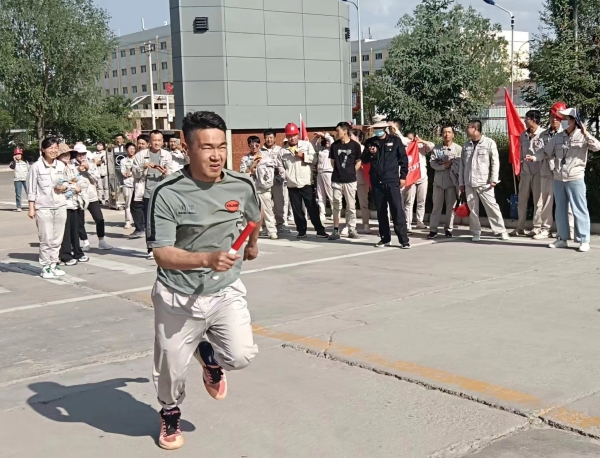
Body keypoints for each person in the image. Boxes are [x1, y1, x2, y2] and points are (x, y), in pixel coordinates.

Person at [148, 111, 261, 450]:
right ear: (187, 148)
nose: (216, 155)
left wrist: (252, 245)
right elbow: (162, 253)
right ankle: (170, 412)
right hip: (177, 295)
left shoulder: (241, 185)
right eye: (207, 147)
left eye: (221, 147)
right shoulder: (167, 192)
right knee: (170, 369)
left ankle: (209, 357)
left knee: (241, 356)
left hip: (224, 289)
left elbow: (255, 216)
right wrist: (206, 259)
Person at [526, 107, 600, 252]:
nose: (563, 121)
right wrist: (534, 157)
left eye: (566, 119)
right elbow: (545, 152)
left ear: (574, 121)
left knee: (579, 209)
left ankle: (584, 240)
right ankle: (562, 238)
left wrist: (586, 133)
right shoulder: (558, 137)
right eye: (563, 118)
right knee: (560, 210)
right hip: (559, 178)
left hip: (575, 177)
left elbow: (597, 147)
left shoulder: (582, 135)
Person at [361, 123, 410, 249]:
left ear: (384, 128)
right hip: (376, 181)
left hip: (391, 181)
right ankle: (385, 238)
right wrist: (371, 153)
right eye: (375, 129)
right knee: (381, 211)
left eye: (379, 128)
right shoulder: (370, 142)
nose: (377, 131)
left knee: (397, 210)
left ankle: (404, 240)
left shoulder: (395, 140)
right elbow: (364, 159)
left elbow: (403, 159)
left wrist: (403, 176)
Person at [459, 120, 509, 242]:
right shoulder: (466, 145)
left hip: (485, 182)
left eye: (468, 128)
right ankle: (475, 232)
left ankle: (501, 230)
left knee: (492, 207)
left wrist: (494, 179)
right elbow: (462, 165)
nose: (466, 130)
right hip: (469, 182)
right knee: (473, 209)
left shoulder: (489, 143)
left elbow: (495, 162)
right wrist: (461, 183)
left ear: (475, 129)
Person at [26, 137, 68, 279]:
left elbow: (66, 181)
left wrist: (64, 187)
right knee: (46, 238)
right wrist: (31, 208)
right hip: (43, 207)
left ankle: (54, 264)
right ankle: (45, 267)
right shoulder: (36, 167)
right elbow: (31, 189)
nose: (53, 150)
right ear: (43, 150)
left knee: (57, 238)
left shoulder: (61, 165)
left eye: (55, 148)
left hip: (60, 205)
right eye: (50, 148)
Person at [280, 123, 328, 239]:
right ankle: (301, 231)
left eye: (294, 135)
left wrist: (302, 156)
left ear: (297, 135)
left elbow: (314, 159)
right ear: (287, 136)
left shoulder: (306, 145)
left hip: (306, 182)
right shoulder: (283, 151)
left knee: (312, 208)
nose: (292, 138)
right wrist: (285, 175)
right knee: (297, 210)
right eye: (289, 136)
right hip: (292, 184)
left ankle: (320, 230)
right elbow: (280, 166)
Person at [132, 130, 174, 259]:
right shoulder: (140, 155)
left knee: (163, 221)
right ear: (149, 142)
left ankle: (164, 247)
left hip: (162, 193)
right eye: (154, 140)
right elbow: (135, 174)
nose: (157, 143)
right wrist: (144, 167)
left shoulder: (166, 155)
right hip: (147, 193)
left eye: (159, 140)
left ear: (162, 141)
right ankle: (150, 249)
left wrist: (165, 172)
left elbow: (171, 174)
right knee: (149, 223)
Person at [534, 102, 571, 241]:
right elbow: (540, 151)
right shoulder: (542, 134)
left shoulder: (566, 133)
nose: (554, 120)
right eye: (552, 117)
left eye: (557, 117)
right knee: (546, 202)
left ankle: (568, 230)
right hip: (546, 171)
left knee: (566, 202)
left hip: (562, 171)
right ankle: (545, 229)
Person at [240, 136, 281, 240]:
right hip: (251, 188)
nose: (254, 147)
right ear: (248, 145)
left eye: (257, 145)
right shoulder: (245, 159)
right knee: (248, 212)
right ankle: (246, 232)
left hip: (264, 188)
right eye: (251, 145)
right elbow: (243, 173)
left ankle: (272, 231)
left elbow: (274, 168)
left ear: (259, 145)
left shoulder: (266, 157)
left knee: (268, 211)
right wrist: (252, 166)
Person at [511, 110, 544, 237]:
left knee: (538, 201)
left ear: (534, 119)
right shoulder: (523, 135)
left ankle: (537, 227)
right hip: (525, 172)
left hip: (539, 172)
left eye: (527, 119)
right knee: (522, 201)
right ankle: (520, 227)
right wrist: (519, 169)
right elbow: (520, 154)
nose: (524, 121)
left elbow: (545, 153)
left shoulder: (543, 134)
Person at [74, 145, 113, 251]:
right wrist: (77, 170)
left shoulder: (91, 164)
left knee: (99, 219)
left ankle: (101, 241)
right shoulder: (72, 166)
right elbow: (70, 180)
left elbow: (96, 179)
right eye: (79, 154)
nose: (81, 156)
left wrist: (88, 169)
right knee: (80, 221)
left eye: (83, 154)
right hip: (79, 197)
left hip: (92, 196)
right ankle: (85, 242)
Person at [328, 122, 362, 240]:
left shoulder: (355, 146)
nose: (336, 133)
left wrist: (351, 172)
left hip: (350, 180)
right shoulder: (334, 145)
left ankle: (352, 229)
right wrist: (339, 171)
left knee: (351, 205)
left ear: (345, 131)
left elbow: (358, 162)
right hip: (337, 179)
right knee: (336, 205)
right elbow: (332, 162)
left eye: (338, 131)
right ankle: (335, 230)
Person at [428, 125, 462, 239]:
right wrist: (443, 166)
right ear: (442, 134)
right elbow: (432, 163)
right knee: (436, 207)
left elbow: (461, 165)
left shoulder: (458, 149)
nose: (446, 134)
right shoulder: (437, 149)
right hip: (438, 183)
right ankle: (433, 229)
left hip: (452, 183)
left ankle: (448, 229)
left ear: (453, 135)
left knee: (450, 208)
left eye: (449, 132)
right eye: (444, 132)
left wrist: (451, 163)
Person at [57, 145, 88, 266]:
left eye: (68, 154)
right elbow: (60, 188)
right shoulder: (57, 169)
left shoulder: (72, 167)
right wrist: (73, 189)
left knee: (75, 229)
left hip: (74, 203)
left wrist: (75, 187)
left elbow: (81, 182)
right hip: (62, 204)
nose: (67, 156)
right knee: (65, 231)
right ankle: (65, 255)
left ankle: (77, 252)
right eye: (64, 154)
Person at [402, 131, 433, 231]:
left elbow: (432, 146)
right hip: (411, 177)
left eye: (412, 139)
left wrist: (421, 141)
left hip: (422, 177)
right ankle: (408, 223)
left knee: (421, 201)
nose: (410, 141)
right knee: (409, 202)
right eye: (408, 139)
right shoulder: (404, 147)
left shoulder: (421, 146)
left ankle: (420, 221)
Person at [263, 129, 291, 233]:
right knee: (266, 204)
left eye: (271, 137)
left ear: (275, 138)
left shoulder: (280, 150)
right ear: (264, 138)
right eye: (267, 137)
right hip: (265, 181)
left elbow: (285, 164)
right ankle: (266, 225)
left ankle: (280, 224)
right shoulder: (261, 151)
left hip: (278, 180)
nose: (269, 140)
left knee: (280, 203)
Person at [128, 134, 151, 238]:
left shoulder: (151, 154)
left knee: (137, 206)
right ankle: (141, 228)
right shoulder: (138, 155)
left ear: (148, 144)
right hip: (140, 184)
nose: (140, 145)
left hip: (147, 184)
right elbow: (135, 172)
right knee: (136, 206)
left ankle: (141, 228)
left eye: (143, 143)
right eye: (139, 143)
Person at [351, 129, 371, 234]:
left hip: (362, 179)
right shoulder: (348, 148)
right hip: (350, 180)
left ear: (357, 137)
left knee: (363, 203)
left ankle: (366, 224)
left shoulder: (363, 149)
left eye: (351, 135)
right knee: (350, 204)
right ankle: (350, 225)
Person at [313, 132, 335, 222]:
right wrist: (317, 137)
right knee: (320, 194)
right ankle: (322, 213)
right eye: (325, 140)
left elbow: (332, 141)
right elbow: (313, 145)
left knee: (331, 194)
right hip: (320, 173)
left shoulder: (333, 148)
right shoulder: (321, 149)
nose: (327, 141)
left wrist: (324, 135)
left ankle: (334, 212)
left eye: (327, 140)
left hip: (329, 172)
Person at [120, 142, 137, 229]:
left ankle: (139, 221)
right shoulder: (123, 161)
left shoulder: (138, 159)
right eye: (130, 149)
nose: (132, 150)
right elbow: (124, 173)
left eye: (133, 149)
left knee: (138, 204)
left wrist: (130, 172)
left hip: (137, 184)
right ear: (126, 150)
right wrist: (132, 172)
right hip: (127, 184)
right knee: (128, 204)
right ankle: (128, 221)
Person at [10, 147, 29, 212]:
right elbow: (12, 167)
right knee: (18, 194)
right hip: (17, 180)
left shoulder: (25, 162)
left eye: (19, 154)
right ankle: (19, 207)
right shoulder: (13, 163)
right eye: (16, 154)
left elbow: (29, 170)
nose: (18, 155)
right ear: (14, 155)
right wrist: (14, 161)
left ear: (21, 155)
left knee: (29, 193)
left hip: (25, 179)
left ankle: (31, 205)